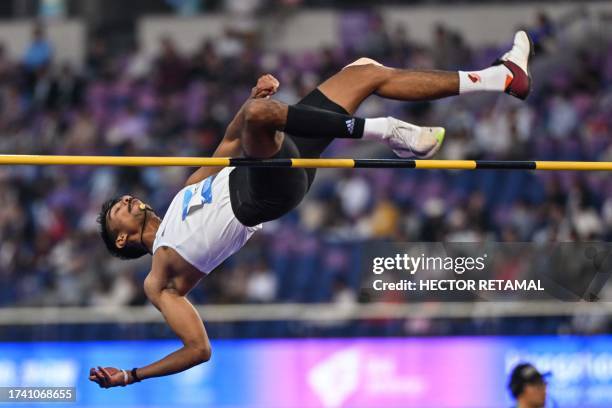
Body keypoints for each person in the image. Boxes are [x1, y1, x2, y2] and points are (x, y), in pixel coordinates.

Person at [89, 31, 533, 387]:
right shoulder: (159, 280)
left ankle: (500, 78)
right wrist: (132, 376)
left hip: (275, 157)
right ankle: (387, 131)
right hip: (261, 193)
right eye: (118, 213)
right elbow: (198, 349)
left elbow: (229, 139)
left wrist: (252, 98)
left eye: (124, 200)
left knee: (364, 72)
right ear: (123, 239)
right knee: (261, 117)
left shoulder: (187, 188)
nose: (127, 201)